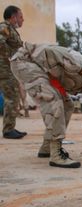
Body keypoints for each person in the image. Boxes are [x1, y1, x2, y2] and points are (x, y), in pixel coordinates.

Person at [10, 42, 82, 168]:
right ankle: (56, 155)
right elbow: (46, 51)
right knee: (54, 100)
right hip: (25, 62)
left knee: (67, 105)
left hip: (39, 69)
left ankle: (47, 147)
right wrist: (53, 83)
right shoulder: (77, 65)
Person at [0, 5, 26, 139]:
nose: (22, 19)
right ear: (13, 17)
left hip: (9, 69)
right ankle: (8, 130)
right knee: (12, 98)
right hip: (5, 69)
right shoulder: (4, 27)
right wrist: (9, 58)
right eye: (20, 17)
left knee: (13, 97)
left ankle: (10, 127)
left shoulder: (10, 29)